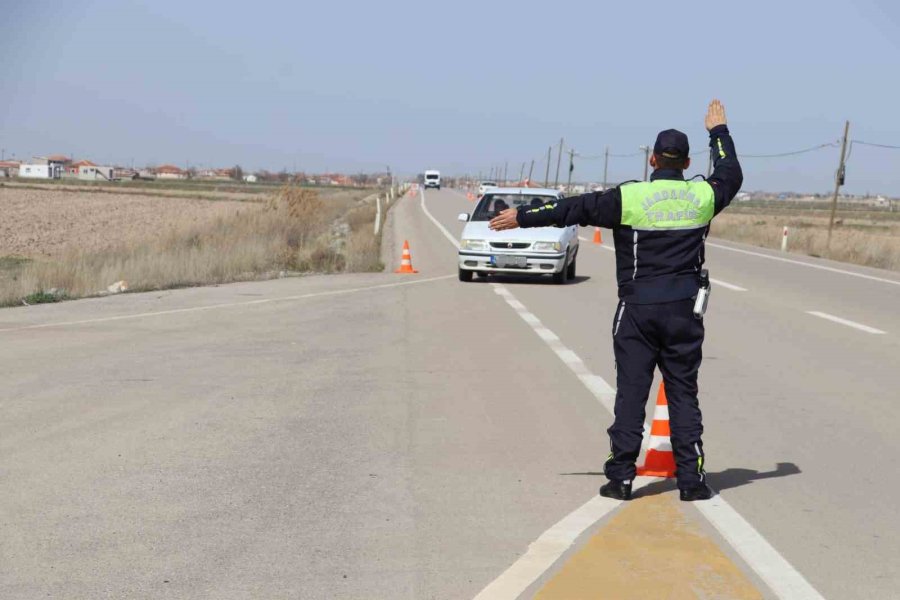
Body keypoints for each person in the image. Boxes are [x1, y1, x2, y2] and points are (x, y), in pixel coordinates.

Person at [489, 99, 742, 501]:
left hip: (637, 312)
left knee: (631, 395)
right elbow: (730, 173)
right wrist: (719, 132)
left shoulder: (629, 197)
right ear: (686, 162)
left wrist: (522, 217)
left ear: (652, 159)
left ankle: (621, 478)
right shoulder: (703, 195)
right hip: (683, 312)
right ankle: (692, 482)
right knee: (683, 394)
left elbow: (571, 209)